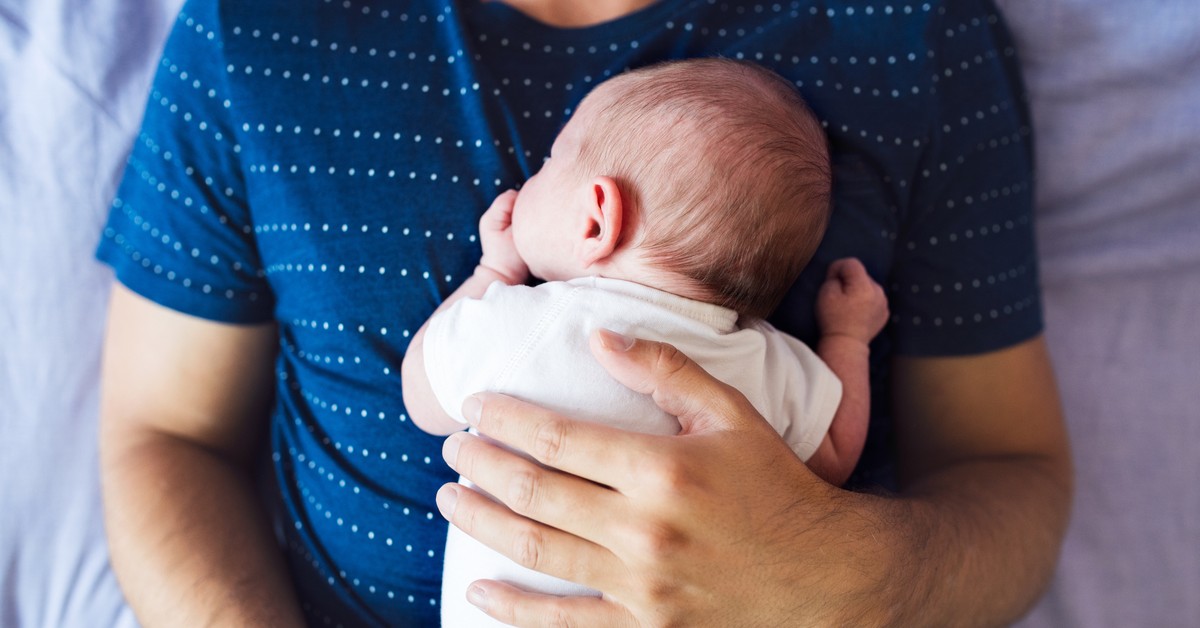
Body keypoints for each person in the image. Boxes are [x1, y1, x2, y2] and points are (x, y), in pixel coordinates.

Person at [96, 0, 1070, 626]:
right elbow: (165, 433)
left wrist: (842, 577)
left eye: (554, 169)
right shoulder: (255, 28)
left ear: (596, 210)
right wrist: (847, 336)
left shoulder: (914, 30)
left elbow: (1009, 469)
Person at [398, 59, 889, 624]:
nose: (529, 179)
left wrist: (492, 273)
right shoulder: (765, 361)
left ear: (595, 222)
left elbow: (421, 397)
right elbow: (833, 459)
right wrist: (849, 337)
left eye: (549, 164)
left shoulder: (525, 322)